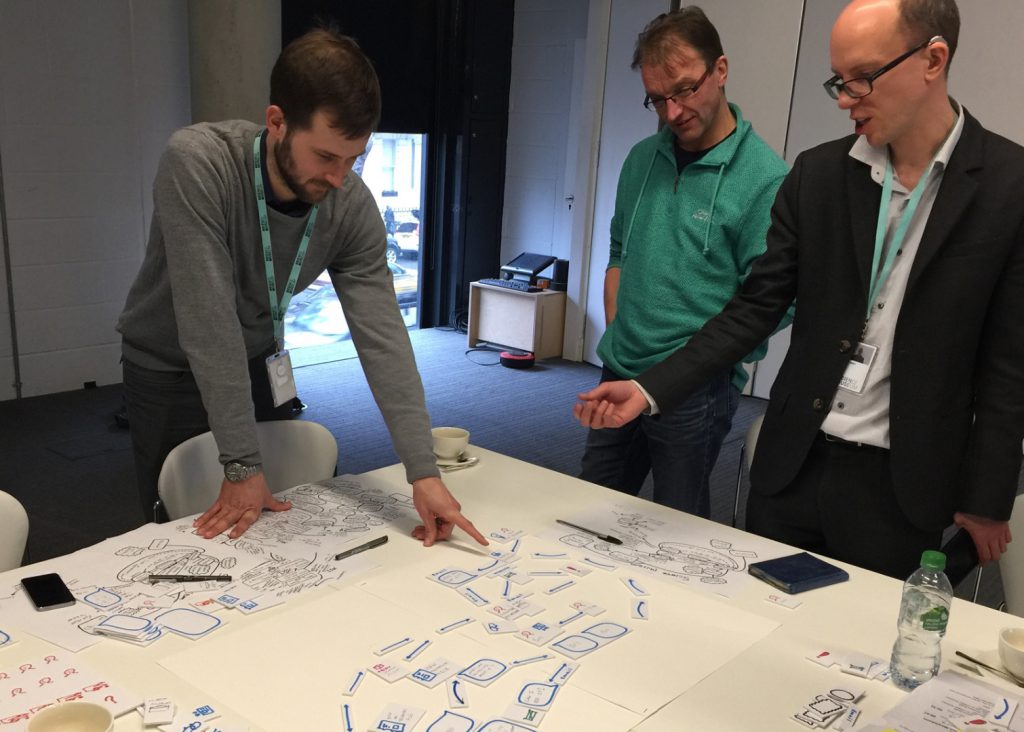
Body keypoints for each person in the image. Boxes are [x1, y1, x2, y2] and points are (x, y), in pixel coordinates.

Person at [574, 0, 1024, 579]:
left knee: (864, 629)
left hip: (901, 479)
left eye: (861, 78)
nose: (843, 99)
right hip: (794, 461)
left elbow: (1009, 363)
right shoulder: (819, 174)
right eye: (838, 80)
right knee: (761, 612)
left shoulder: (1008, 186)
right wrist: (649, 389)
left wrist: (988, 495)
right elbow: (755, 307)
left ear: (932, 60)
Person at [118, 28, 486, 547]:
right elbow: (208, 323)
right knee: (187, 531)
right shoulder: (199, 163)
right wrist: (241, 464)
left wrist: (423, 472)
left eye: (354, 158)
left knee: (268, 526)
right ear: (277, 122)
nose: (339, 178)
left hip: (256, 359)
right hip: (168, 362)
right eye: (326, 157)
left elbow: (384, 340)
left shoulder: (349, 204)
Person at [578, 7, 787, 518]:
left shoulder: (765, 179)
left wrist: (700, 365)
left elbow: (773, 304)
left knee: (675, 526)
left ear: (721, 70)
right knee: (590, 510)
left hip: (696, 387)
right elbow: (619, 252)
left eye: (685, 90)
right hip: (621, 366)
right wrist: (621, 333)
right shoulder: (642, 159)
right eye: (657, 98)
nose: (672, 112)